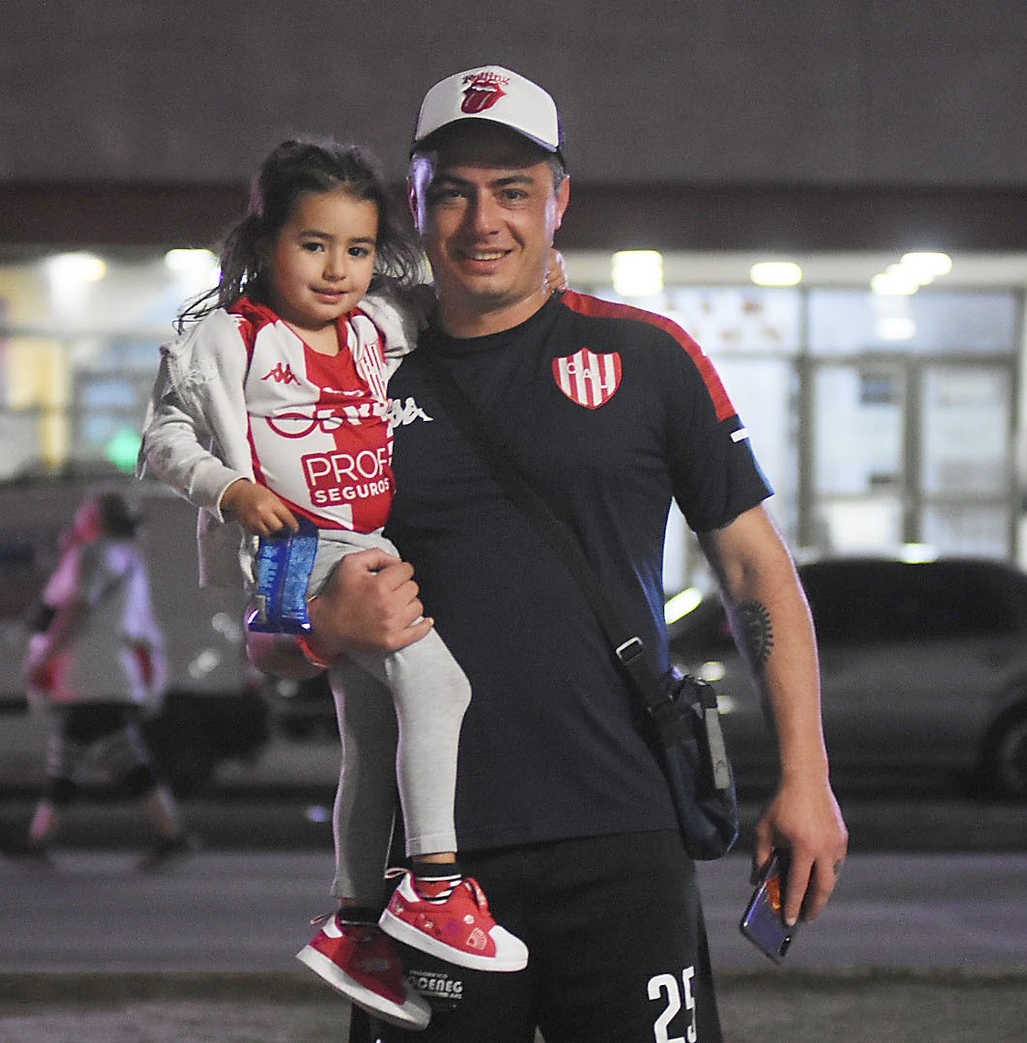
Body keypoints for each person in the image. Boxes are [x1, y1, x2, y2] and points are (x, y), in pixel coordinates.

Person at [252, 65, 850, 1042]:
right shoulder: (338, 381)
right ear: (412, 203)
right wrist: (317, 626)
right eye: (452, 190)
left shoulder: (648, 358)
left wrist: (804, 774)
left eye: (513, 190)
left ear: (558, 201)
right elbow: (262, 630)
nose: (482, 219)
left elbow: (755, 571)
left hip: (624, 836)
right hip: (433, 869)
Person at [139, 138, 525, 1031]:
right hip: (315, 556)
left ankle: (357, 925)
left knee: (372, 743)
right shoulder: (225, 339)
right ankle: (432, 885)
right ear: (264, 238)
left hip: (370, 540)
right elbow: (162, 440)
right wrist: (231, 489)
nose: (336, 267)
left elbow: (468, 305)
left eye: (355, 248)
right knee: (444, 683)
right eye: (313, 244)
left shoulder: (380, 326)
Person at [14, 489, 194, 870]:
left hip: (89, 675)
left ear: (95, 519)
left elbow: (74, 610)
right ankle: (38, 840)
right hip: (111, 673)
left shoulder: (92, 555)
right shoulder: (129, 557)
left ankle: (173, 835)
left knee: (118, 761)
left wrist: (43, 658)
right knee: (74, 760)